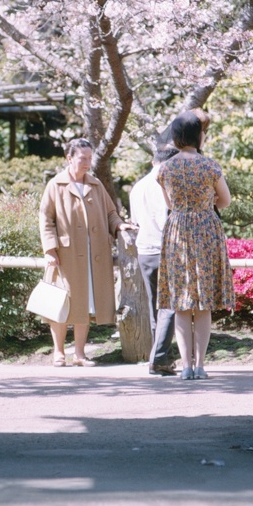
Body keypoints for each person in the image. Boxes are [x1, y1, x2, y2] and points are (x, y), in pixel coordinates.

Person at [39, 138, 137, 367]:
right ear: (69, 157)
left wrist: (120, 226)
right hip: (65, 254)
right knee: (62, 302)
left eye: (89, 159)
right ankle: (59, 352)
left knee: (85, 303)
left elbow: (111, 212)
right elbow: (45, 219)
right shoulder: (56, 185)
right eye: (82, 158)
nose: (86, 163)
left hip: (95, 255)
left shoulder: (95, 185)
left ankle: (80, 354)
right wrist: (50, 249)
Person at [156, 110, 235, 380]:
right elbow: (225, 201)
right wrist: (207, 202)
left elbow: (169, 204)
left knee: (181, 303)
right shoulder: (210, 166)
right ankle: (200, 365)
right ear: (198, 135)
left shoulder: (165, 168)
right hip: (205, 228)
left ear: (176, 137)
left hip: (177, 230)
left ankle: (186, 367)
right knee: (202, 303)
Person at [129, 144, 180, 376]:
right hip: (165, 248)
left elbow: (136, 219)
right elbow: (168, 219)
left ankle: (160, 355)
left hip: (144, 249)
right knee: (169, 304)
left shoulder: (137, 187)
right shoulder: (167, 183)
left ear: (153, 162)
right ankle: (159, 358)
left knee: (154, 305)